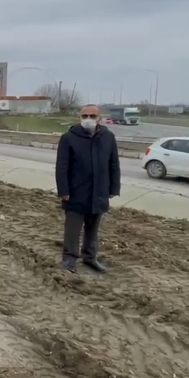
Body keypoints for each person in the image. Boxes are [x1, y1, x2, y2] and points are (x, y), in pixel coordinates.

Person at [54, 104, 121, 274]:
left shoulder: (108, 137)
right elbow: (62, 167)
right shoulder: (69, 138)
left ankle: (90, 257)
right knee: (73, 229)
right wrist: (64, 191)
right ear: (79, 117)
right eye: (85, 116)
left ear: (99, 118)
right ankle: (69, 258)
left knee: (93, 229)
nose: (88, 119)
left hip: (99, 192)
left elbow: (114, 164)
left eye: (92, 116)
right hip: (76, 193)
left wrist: (113, 188)